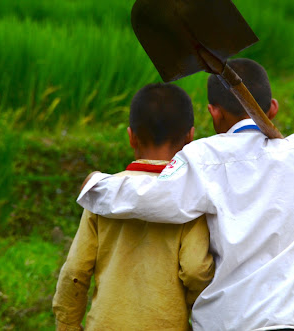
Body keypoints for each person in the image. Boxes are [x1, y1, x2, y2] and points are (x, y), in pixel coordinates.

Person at [78, 58, 294, 331]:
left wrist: (97, 187)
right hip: (292, 322)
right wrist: (291, 150)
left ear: (213, 113)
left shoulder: (203, 158)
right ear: (273, 108)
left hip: (228, 322)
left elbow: (154, 196)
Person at [53, 83, 215, 331]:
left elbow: (75, 270)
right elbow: (195, 270)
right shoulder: (190, 199)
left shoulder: (102, 194)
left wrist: (68, 325)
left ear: (131, 136)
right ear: (190, 137)